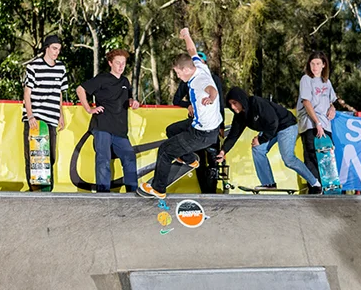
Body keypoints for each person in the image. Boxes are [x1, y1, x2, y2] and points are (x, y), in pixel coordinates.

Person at [137, 28, 222, 199]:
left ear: (185, 70)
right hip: (206, 128)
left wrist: (211, 97)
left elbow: (211, 89)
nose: (177, 76)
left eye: (177, 72)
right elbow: (192, 51)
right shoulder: (199, 65)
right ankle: (190, 159)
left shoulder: (200, 81)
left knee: (165, 150)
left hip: (202, 134)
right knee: (172, 130)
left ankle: (158, 189)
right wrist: (187, 35)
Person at [218, 87, 321, 193]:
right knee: (257, 148)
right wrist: (223, 151)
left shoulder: (257, 103)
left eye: (235, 103)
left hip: (286, 125)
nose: (233, 107)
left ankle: (315, 184)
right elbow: (233, 135)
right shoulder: (240, 116)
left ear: (241, 99)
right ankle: (268, 183)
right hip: (272, 130)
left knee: (288, 159)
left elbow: (273, 122)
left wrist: (261, 139)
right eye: (230, 105)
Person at [76, 49, 140, 193]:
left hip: (120, 130)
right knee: (103, 160)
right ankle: (103, 194)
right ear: (110, 63)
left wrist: (132, 101)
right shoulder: (102, 78)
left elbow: (128, 98)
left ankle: (133, 192)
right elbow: (80, 89)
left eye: (123, 63)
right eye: (118, 63)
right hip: (103, 126)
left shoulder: (125, 81)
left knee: (129, 157)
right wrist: (89, 109)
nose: (121, 66)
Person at [172, 52, 225, 194]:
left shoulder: (211, 79)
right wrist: (187, 105)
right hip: (197, 125)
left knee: (213, 160)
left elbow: (219, 101)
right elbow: (176, 99)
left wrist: (222, 126)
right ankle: (204, 191)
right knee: (200, 160)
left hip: (213, 125)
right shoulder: (188, 80)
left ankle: (212, 192)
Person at [23, 35, 68, 190]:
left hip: (51, 116)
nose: (57, 52)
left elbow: (59, 92)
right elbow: (27, 93)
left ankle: (48, 188)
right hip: (35, 116)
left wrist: (61, 114)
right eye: (54, 49)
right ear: (46, 48)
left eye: (59, 50)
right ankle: (33, 187)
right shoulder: (33, 66)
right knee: (33, 154)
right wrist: (30, 116)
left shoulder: (61, 67)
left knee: (50, 155)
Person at [297, 51, 338, 186]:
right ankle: (314, 188)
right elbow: (306, 102)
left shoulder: (327, 82)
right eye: (312, 63)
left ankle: (327, 188)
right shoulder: (306, 79)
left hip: (325, 125)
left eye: (318, 64)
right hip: (311, 124)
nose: (315, 67)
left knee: (326, 159)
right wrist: (317, 123)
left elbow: (331, 102)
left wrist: (332, 109)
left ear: (323, 65)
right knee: (312, 158)